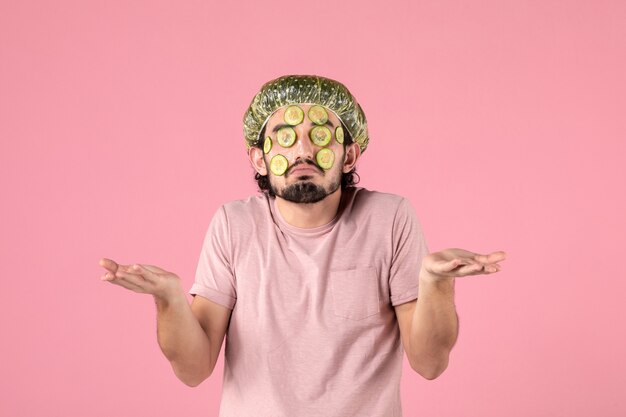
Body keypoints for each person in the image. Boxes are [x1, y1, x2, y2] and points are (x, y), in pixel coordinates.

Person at [100, 75, 506, 416]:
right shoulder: (233, 223)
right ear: (260, 160)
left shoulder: (390, 217)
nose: (303, 150)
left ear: (349, 155)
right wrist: (170, 299)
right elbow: (192, 370)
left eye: (320, 136)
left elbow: (430, 363)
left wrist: (436, 284)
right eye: (285, 137)